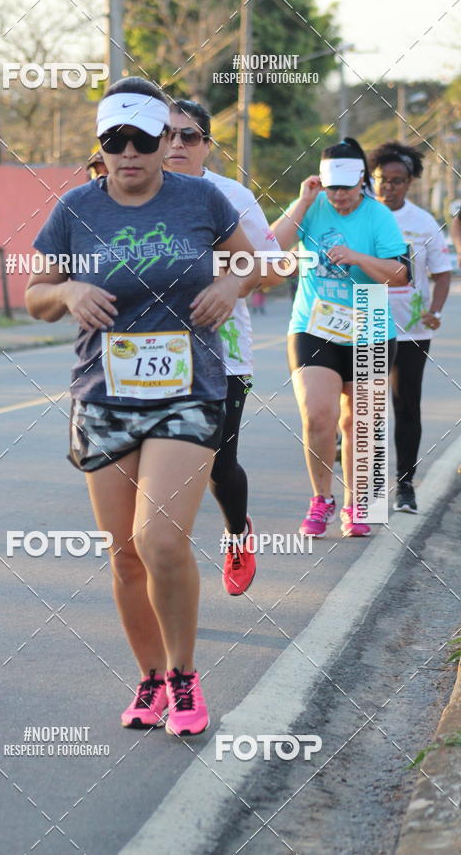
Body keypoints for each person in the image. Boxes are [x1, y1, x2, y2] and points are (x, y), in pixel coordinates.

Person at [26, 77, 260, 737]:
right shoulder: (76, 209)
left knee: (156, 538)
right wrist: (69, 292)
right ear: (100, 148)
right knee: (123, 554)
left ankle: (186, 678)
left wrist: (229, 284)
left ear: (165, 142)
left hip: (187, 391)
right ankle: (152, 677)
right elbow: (35, 295)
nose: (129, 152)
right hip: (104, 395)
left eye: (142, 139)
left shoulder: (201, 198)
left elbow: (252, 262)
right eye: (114, 140)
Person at [164, 98, 283, 595]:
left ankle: (237, 534)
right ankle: (166, 566)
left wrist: (227, 283)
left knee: (216, 462)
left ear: (207, 146)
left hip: (223, 351)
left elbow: (274, 268)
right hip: (151, 354)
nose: (176, 144)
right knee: (157, 467)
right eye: (166, 134)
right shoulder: (131, 196)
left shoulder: (230, 196)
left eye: (189, 136)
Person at [272, 137, 407, 538]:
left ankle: (357, 503)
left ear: (362, 180)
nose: (339, 196)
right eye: (332, 187)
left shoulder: (378, 216)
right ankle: (321, 500)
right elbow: (271, 246)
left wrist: (359, 257)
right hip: (315, 323)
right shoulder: (310, 207)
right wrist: (301, 201)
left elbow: (400, 274)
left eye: (347, 188)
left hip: (368, 319)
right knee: (318, 416)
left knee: (359, 424)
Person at [369, 141, 451, 513]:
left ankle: (405, 487)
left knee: (405, 406)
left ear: (410, 182)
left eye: (398, 181)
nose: (390, 187)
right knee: (364, 405)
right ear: (374, 179)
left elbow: (442, 273)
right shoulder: (363, 215)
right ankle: (365, 485)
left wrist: (434, 310)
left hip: (413, 328)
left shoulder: (423, 222)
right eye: (383, 179)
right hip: (368, 320)